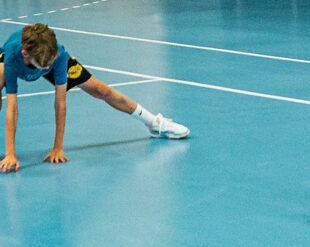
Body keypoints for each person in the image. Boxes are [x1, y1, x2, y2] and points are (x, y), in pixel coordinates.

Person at [0, 24, 189, 173]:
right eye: (44, 67)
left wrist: (58, 147)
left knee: (100, 89)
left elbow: (60, 101)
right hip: (14, 62)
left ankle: (153, 123)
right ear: (26, 54)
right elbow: (12, 107)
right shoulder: (13, 57)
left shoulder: (57, 55)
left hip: (48, 59)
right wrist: (10, 154)